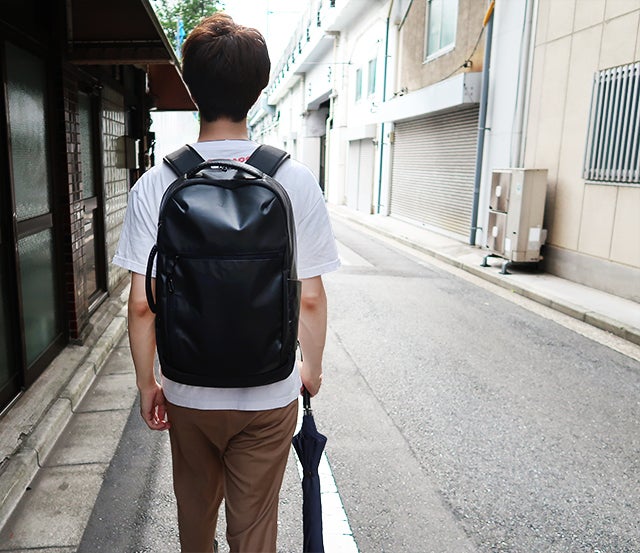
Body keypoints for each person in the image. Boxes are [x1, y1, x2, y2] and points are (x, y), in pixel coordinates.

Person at [112, 12, 340, 553]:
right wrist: (310, 369)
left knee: (195, 520)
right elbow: (309, 296)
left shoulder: (157, 183)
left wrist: (148, 384)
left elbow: (142, 305)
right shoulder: (294, 179)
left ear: (191, 89)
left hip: (189, 391)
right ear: (258, 91)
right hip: (269, 392)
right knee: (254, 528)